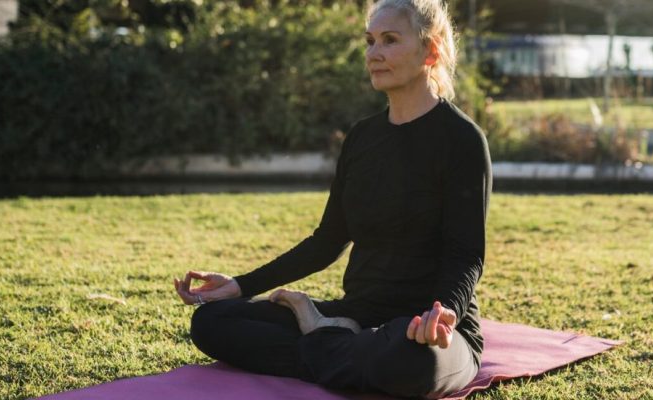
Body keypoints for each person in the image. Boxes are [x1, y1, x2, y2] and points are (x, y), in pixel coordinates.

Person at [173, 0, 492, 398]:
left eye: (390, 40)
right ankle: (338, 340)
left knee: (411, 363)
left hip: (423, 327)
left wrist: (443, 313)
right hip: (357, 314)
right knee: (212, 322)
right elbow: (327, 241)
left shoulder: (462, 139)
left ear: (431, 50)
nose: (374, 53)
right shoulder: (362, 138)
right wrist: (240, 285)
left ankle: (324, 337)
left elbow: (465, 253)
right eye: (370, 41)